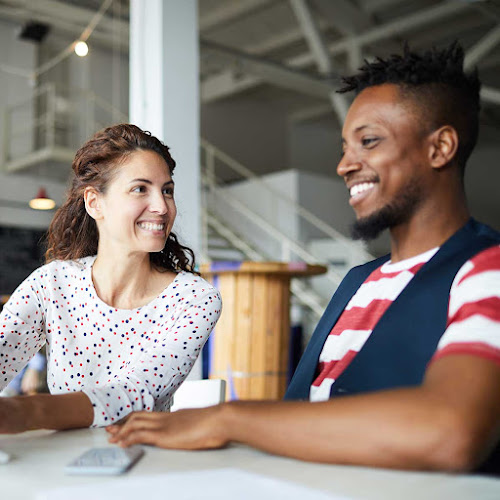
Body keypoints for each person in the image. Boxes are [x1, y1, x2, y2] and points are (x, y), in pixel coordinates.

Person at [107, 43, 500, 473]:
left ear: (440, 147)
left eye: (368, 142)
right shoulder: (357, 281)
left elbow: (452, 431)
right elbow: (301, 408)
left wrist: (228, 419)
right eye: (346, 147)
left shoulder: (485, 267)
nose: (345, 165)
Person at [0, 124, 221, 432]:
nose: (161, 207)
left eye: (166, 191)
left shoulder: (193, 299)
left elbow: (136, 393)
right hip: (59, 463)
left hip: (145, 463)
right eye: (140, 189)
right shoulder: (52, 284)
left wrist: (26, 411)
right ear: (94, 203)